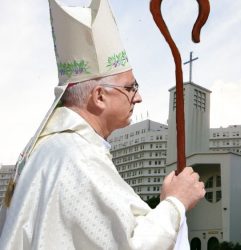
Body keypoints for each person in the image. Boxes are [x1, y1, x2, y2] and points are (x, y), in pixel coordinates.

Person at [0, 0, 205, 249]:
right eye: (130, 88)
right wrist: (176, 202)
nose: (138, 97)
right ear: (99, 96)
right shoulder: (78, 157)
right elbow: (131, 245)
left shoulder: (52, 150)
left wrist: (166, 202)